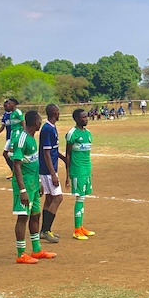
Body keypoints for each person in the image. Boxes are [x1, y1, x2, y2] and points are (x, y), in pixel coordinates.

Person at [10, 109, 57, 263]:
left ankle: (36, 250)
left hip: (34, 185)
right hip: (24, 186)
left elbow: (33, 164)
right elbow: (16, 165)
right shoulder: (22, 139)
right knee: (23, 217)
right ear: (36, 122)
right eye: (39, 120)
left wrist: (39, 183)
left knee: (36, 215)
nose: (41, 122)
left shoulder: (32, 138)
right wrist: (22, 190)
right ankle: (21, 254)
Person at [65, 108, 95, 240]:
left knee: (83, 199)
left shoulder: (88, 134)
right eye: (83, 117)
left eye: (86, 116)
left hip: (87, 170)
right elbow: (68, 154)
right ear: (76, 119)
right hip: (77, 170)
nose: (86, 119)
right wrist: (67, 175)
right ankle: (76, 230)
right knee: (80, 198)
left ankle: (81, 227)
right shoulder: (72, 134)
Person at [38, 104, 65, 244]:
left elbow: (53, 150)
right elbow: (46, 153)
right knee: (58, 198)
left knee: (49, 199)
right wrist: (53, 174)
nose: (59, 113)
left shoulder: (51, 127)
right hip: (48, 170)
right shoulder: (47, 129)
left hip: (48, 169)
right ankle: (46, 230)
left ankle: (43, 231)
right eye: (58, 111)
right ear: (54, 112)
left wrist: (63, 158)